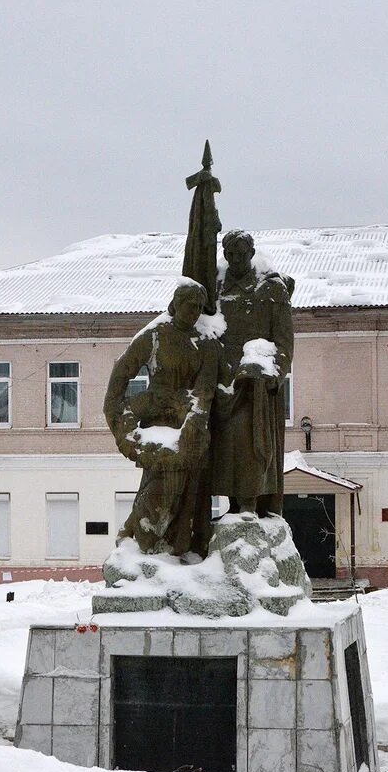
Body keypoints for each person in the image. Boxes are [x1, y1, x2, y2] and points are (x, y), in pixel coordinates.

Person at [103, 281, 220, 556]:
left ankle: (166, 545)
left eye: (198, 308)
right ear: (175, 305)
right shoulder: (155, 335)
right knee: (162, 488)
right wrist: (119, 423)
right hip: (155, 423)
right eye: (188, 306)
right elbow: (121, 374)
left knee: (186, 495)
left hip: (188, 425)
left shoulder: (205, 344)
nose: (193, 312)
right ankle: (144, 538)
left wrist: (193, 423)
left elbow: (203, 392)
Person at [211, 229, 295, 516]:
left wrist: (275, 373)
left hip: (257, 380)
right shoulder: (216, 287)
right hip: (222, 378)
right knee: (223, 445)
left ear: (251, 253)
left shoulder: (271, 288)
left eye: (241, 253)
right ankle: (234, 504)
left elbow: (284, 340)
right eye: (230, 253)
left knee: (250, 441)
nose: (235, 259)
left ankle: (250, 503)